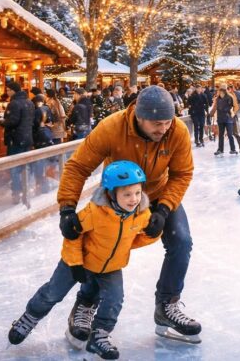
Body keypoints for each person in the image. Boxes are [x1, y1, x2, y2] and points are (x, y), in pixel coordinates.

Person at [56, 85, 200, 344]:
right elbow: (78, 167)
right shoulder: (112, 127)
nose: (164, 128)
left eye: (168, 122)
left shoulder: (176, 130)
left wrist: (164, 208)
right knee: (100, 249)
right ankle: (86, 303)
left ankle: (167, 305)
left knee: (182, 241)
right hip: (116, 199)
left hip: (157, 194)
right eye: (157, 123)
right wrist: (67, 208)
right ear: (139, 116)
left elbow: (182, 174)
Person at [8, 161, 159, 358]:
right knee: (52, 293)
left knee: (114, 300)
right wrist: (75, 262)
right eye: (127, 194)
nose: (134, 199)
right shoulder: (95, 212)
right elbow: (73, 235)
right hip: (78, 262)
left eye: (138, 193)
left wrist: (153, 233)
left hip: (111, 267)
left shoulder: (141, 214)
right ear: (111, 194)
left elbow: (135, 239)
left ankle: (99, 335)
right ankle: (30, 317)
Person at [3, 81, 34, 206]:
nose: (7, 92)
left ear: (13, 91)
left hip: (16, 139)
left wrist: (3, 122)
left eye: (8, 90)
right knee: (25, 166)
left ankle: (16, 193)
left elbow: (13, 122)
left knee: (14, 167)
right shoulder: (29, 102)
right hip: (27, 138)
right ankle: (26, 190)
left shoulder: (14, 103)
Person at [210, 86, 237, 155]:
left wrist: (232, 113)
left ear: (224, 92)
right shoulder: (217, 99)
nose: (219, 93)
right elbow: (215, 107)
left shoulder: (229, 98)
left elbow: (233, 106)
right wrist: (211, 114)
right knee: (221, 135)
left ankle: (233, 149)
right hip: (220, 119)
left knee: (230, 134)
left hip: (228, 119)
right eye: (219, 92)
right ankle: (220, 149)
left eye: (221, 92)